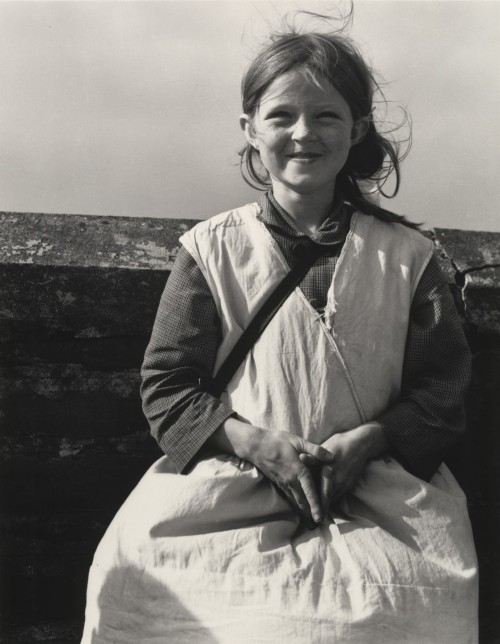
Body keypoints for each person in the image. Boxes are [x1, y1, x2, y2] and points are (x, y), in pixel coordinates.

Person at [82, 16, 478, 644]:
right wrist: (258, 445)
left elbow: (443, 390)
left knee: (406, 611)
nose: (303, 133)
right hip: (231, 492)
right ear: (249, 130)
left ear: (357, 129)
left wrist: (368, 443)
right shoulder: (211, 251)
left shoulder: (409, 258)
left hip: (377, 498)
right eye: (281, 116)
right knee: (140, 593)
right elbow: (167, 384)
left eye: (326, 116)